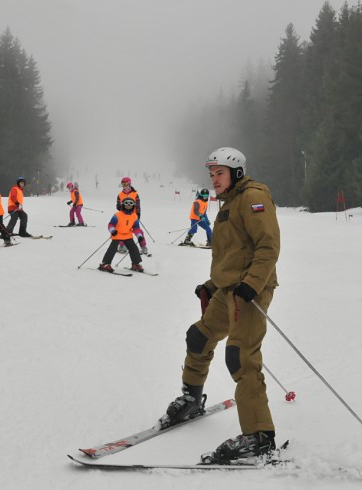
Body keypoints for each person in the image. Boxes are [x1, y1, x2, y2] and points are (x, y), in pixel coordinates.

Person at [160, 146, 280, 465]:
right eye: (211, 174)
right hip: (228, 290)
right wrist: (212, 285)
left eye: (219, 173)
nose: (214, 179)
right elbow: (232, 255)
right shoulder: (228, 203)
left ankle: (259, 435)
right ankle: (191, 399)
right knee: (198, 337)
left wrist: (251, 285)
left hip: (250, 291)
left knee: (240, 355)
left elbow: (268, 246)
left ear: (236, 173)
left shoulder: (254, 197)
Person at [98, 198, 144, 273]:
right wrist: (112, 230)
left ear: (133, 205)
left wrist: (139, 236)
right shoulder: (118, 215)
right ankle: (105, 264)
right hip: (117, 234)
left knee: (134, 248)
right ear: (123, 204)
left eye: (130, 203)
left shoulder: (134, 216)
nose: (128, 205)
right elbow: (111, 224)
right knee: (113, 248)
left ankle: (136, 264)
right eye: (126, 203)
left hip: (127, 235)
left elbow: (136, 228)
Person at [116, 177, 148, 255]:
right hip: (123, 216)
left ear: (130, 184)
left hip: (133, 216)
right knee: (122, 231)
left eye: (127, 184)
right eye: (123, 184)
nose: (125, 186)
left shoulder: (135, 194)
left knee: (138, 231)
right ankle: (122, 246)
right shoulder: (120, 195)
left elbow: (138, 205)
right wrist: (119, 206)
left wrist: (138, 214)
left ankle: (143, 247)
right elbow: (117, 205)